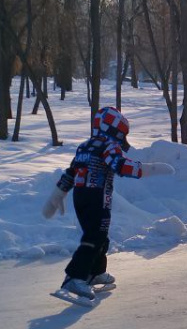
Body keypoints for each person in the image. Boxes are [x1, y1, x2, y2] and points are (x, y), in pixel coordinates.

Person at [43, 107, 174, 302]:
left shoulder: (84, 147)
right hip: (96, 196)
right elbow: (120, 166)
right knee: (94, 237)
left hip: (81, 196)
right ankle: (75, 276)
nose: (123, 140)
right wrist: (151, 169)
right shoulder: (108, 146)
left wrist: (58, 194)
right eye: (122, 134)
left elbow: (71, 172)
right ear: (114, 131)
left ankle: (95, 272)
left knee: (100, 236)